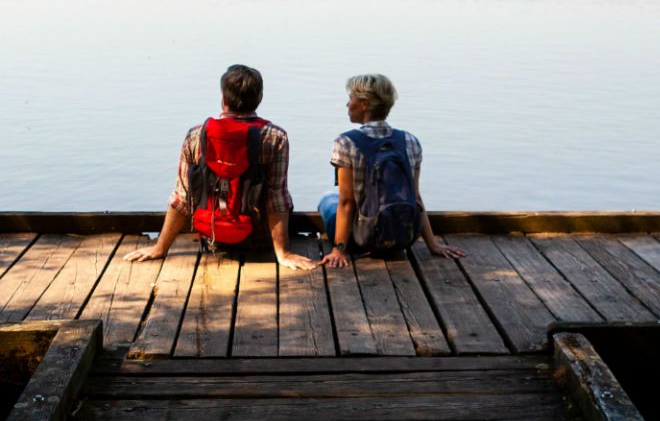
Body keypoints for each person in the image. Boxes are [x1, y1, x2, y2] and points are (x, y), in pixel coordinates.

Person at [123, 65, 318, 269]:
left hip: (213, 239)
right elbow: (276, 199)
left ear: (223, 99)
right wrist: (283, 253)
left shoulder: (196, 135)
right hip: (260, 241)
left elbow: (181, 198)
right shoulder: (275, 137)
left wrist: (160, 248)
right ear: (259, 98)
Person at [318, 74, 467, 267]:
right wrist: (433, 245)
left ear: (364, 103)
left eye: (350, 98)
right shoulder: (410, 141)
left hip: (362, 238)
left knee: (327, 199)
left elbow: (347, 203)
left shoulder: (345, 142)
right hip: (404, 236)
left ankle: (342, 241)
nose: (347, 104)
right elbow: (416, 198)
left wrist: (339, 250)